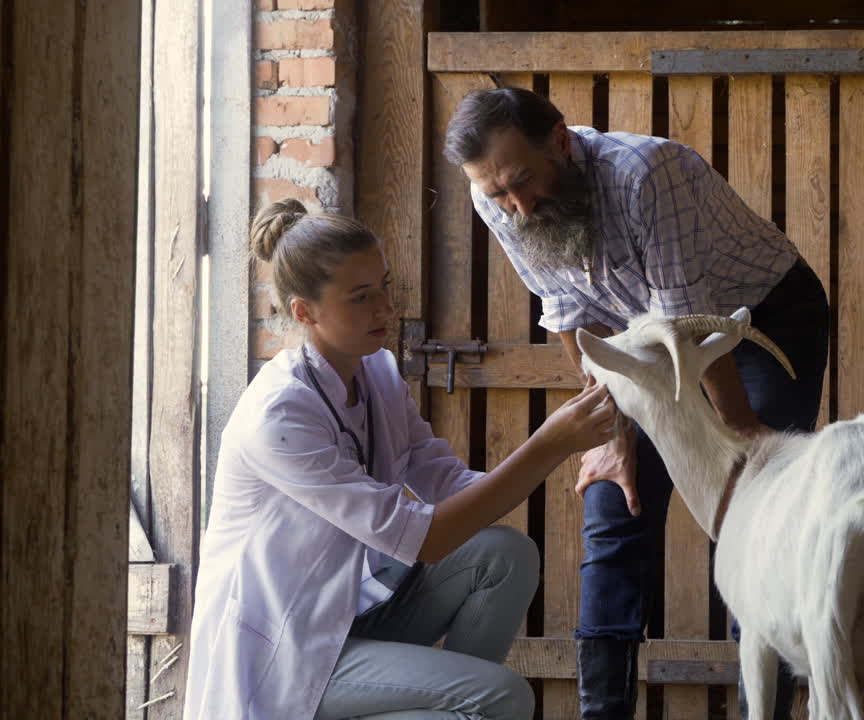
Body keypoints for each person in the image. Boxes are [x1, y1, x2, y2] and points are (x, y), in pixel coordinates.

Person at [444, 88, 830, 719]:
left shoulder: (647, 173)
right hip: (640, 335)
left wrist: (739, 435)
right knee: (614, 502)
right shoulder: (495, 198)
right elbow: (572, 320)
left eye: (523, 181)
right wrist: (611, 435)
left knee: (751, 511)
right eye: (497, 194)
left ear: (561, 143)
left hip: (759, 320)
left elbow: (688, 323)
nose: (516, 206)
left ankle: (761, 707)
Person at [183, 199, 617, 720]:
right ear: (305, 311)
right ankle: (458, 708)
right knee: (504, 695)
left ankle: (453, 709)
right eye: (361, 297)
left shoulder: (378, 373)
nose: (385, 309)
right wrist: (547, 445)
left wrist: (575, 454)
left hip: (348, 617)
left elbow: (444, 479)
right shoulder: (278, 416)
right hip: (282, 653)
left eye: (385, 286)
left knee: (504, 555)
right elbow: (427, 537)